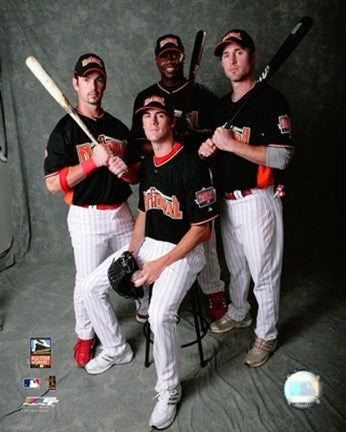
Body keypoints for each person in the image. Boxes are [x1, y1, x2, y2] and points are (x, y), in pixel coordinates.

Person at [81, 94, 218, 430]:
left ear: (170, 121)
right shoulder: (149, 165)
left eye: (159, 115)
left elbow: (201, 230)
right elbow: (143, 211)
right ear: (142, 124)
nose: (152, 121)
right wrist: (131, 250)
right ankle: (116, 347)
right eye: (147, 116)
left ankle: (169, 389)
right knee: (90, 287)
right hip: (151, 244)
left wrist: (160, 265)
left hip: (184, 249)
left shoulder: (192, 165)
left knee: (159, 313)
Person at [199, 29, 295, 367]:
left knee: (263, 272)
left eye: (238, 52)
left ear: (252, 57)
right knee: (236, 268)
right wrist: (208, 150)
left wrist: (230, 144)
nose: (231, 60)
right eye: (226, 55)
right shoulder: (222, 107)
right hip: (227, 201)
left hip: (257, 200)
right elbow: (217, 154)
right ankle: (239, 312)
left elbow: (282, 157)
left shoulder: (271, 100)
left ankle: (267, 335)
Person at [43, 53, 143, 368]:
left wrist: (123, 169)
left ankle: (149, 313)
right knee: (86, 282)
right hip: (86, 216)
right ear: (75, 82)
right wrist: (92, 162)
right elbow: (52, 183)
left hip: (122, 213)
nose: (93, 86)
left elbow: (137, 174)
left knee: (137, 267)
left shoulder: (116, 127)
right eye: (86, 79)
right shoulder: (65, 130)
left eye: (99, 79)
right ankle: (87, 335)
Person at [131, 34, 227, 320]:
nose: (170, 60)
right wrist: (171, 140)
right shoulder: (145, 97)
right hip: (162, 174)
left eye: (175, 54)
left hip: (196, 172)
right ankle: (159, 291)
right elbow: (139, 143)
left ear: (183, 57)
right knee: (164, 229)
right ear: (156, 60)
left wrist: (193, 136)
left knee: (203, 234)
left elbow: (218, 137)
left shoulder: (203, 95)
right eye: (164, 55)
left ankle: (213, 291)